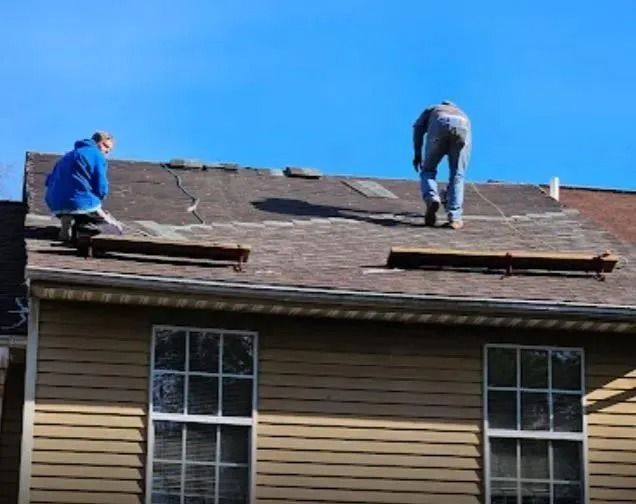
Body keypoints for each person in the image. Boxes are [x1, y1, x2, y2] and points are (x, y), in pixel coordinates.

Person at [45, 131, 123, 241]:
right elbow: (101, 185)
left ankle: (68, 220)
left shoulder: (66, 156)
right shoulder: (97, 155)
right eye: (105, 146)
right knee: (115, 230)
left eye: (109, 150)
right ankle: (82, 230)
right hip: (81, 202)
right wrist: (99, 201)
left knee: (79, 210)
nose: (106, 151)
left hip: (55, 203)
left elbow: (48, 181)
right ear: (97, 142)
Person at [412, 100, 471, 229]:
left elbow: (418, 127)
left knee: (428, 170)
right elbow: (466, 148)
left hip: (440, 123)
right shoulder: (462, 113)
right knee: (457, 175)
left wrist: (417, 153)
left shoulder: (433, 109)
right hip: (463, 127)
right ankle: (455, 218)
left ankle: (432, 198)